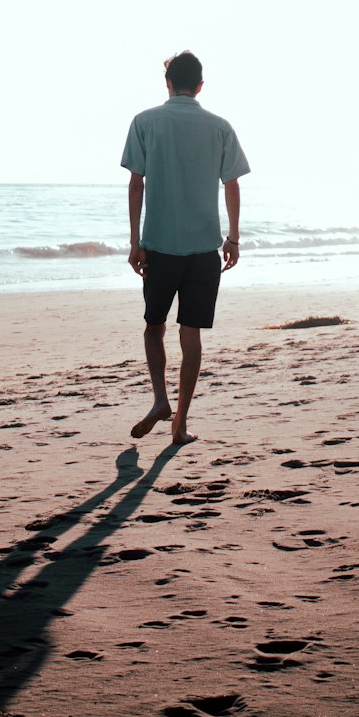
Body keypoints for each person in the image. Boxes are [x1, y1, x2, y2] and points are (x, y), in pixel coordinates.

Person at [121, 51, 250, 445]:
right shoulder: (219, 127)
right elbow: (232, 184)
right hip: (202, 251)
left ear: (167, 83)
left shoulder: (145, 122)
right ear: (199, 86)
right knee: (190, 335)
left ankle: (161, 400)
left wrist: (134, 243)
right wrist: (233, 239)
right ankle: (180, 426)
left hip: (159, 246)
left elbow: (136, 183)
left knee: (154, 328)